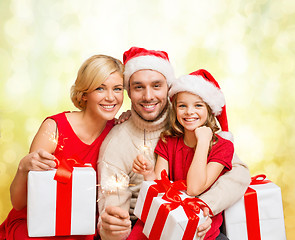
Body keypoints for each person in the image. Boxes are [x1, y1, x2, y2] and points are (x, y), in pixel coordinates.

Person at [98, 47, 251, 240]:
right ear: (129, 91)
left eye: (156, 85)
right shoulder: (119, 142)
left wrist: (202, 209)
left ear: (169, 88)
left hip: (201, 220)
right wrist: (112, 228)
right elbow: (118, 213)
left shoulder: (188, 122)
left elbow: (239, 173)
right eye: (138, 87)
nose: (148, 96)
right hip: (149, 221)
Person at [0, 54, 125, 240]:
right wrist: (23, 167)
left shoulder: (119, 132)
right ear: (84, 94)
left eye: (117, 89)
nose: (110, 97)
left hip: (80, 231)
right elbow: (19, 204)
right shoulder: (54, 128)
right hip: (35, 229)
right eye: (100, 88)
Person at [133, 69, 234, 239]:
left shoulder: (223, 147)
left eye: (198, 105)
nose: (189, 112)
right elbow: (159, 189)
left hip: (203, 228)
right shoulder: (168, 141)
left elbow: (194, 188)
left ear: (209, 109)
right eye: (182, 105)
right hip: (170, 221)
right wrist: (148, 173)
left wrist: (202, 142)